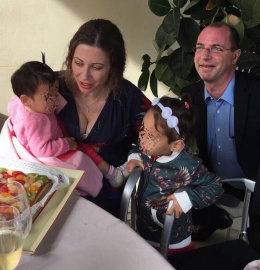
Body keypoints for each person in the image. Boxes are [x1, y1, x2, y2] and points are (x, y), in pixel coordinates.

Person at [182, 22, 260, 241]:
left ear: (235, 56)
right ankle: (214, 216)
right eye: (200, 47)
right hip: (214, 182)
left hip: (258, 185)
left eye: (216, 48)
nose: (205, 55)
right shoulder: (189, 96)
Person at [56, 19, 150, 217]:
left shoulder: (129, 98)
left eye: (97, 67)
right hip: (54, 191)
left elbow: (157, 139)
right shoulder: (52, 88)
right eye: (78, 63)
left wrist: (135, 157)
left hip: (104, 198)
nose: (84, 76)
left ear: (114, 67)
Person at [8, 60, 129, 194]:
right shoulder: (35, 122)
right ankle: (113, 175)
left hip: (49, 133)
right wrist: (65, 144)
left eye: (56, 91)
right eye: (49, 96)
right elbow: (41, 150)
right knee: (84, 150)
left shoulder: (20, 103)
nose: (56, 98)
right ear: (26, 100)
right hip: (50, 153)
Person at [126, 95, 223, 255]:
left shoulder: (188, 164)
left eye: (151, 136)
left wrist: (187, 198)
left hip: (172, 240)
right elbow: (137, 147)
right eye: (143, 129)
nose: (142, 138)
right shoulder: (149, 149)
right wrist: (135, 157)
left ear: (176, 144)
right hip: (143, 231)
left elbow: (215, 186)